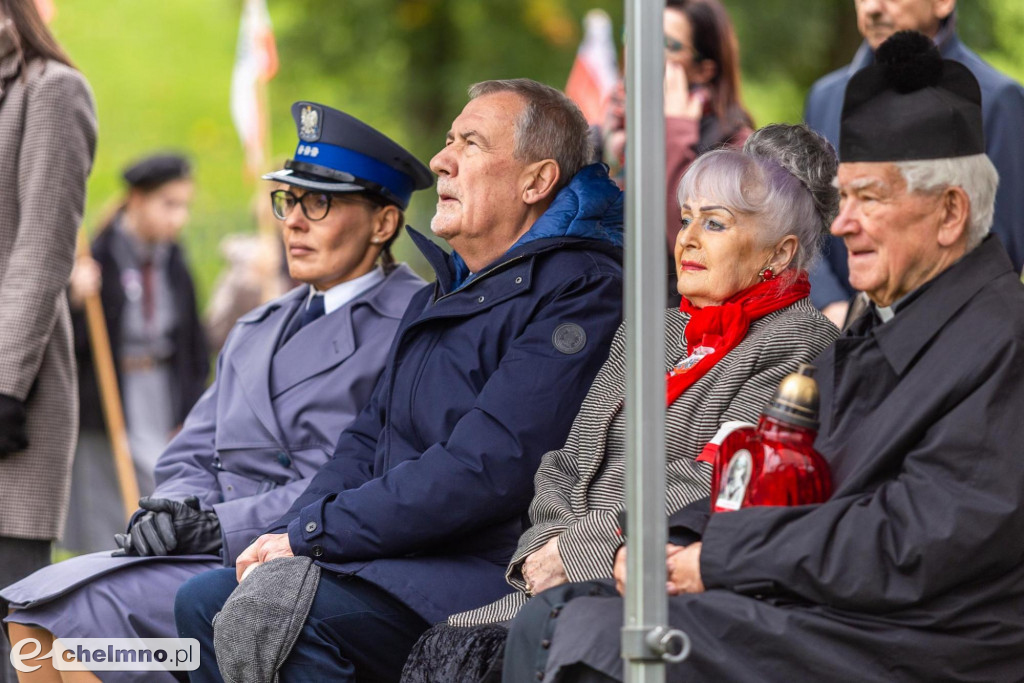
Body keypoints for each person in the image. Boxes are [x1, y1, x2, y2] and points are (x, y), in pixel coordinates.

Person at [505, 31, 1024, 683]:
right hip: (830, 600)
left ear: (950, 213)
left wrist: (718, 555)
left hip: (922, 640)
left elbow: (911, 542)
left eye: (872, 198)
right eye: (847, 196)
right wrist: (668, 536)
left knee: (596, 631)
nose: (841, 224)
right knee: (568, 608)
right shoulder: (884, 319)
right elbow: (757, 468)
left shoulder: (1001, 344)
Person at [175, 78, 626, 683]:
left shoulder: (581, 287)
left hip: (491, 563)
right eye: (448, 140)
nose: (442, 159)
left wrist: (314, 535)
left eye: (470, 143)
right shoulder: (451, 287)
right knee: (202, 600)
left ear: (536, 181)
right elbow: (365, 440)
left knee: (286, 618)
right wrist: (292, 531)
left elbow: (489, 467)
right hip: (404, 554)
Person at [2, 101, 431, 683]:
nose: (294, 222)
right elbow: (193, 450)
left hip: (301, 558)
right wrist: (176, 507)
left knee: (71, 627)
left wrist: (216, 526)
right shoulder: (261, 325)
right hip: (215, 547)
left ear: (383, 224)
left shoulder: (415, 327)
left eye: (320, 202)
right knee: (34, 618)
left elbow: (363, 477)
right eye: (290, 200)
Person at [401, 123, 841, 683]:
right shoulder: (655, 330)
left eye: (715, 223)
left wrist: (577, 551)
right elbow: (568, 459)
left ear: (779, 254)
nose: (686, 239)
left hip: (661, 583)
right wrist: (543, 548)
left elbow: (719, 479)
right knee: (442, 648)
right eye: (686, 219)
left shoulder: (802, 341)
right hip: (558, 573)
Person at [803, 0, 1024, 326]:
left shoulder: (995, 100)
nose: (873, 7)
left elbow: (1000, 250)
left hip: (947, 339)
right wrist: (832, 306)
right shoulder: (825, 96)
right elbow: (806, 217)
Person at [0, 0, 97, 680]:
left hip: (14, 407)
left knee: (14, 646)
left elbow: (40, 255)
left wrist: (2, 385)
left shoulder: (51, 90)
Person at [61, 153, 209, 554]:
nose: (180, 218)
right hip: (110, 399)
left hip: (160, 393)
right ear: (138, 200)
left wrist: (189, 411)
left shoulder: (174, 260)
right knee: (106, 512)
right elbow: (69, 350)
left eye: (185, 206)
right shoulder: (97, 257)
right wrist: (74, 301)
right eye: (170, 205)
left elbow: (192, 343)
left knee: (159, 494)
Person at [604, 0, 753, 305]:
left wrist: (674, 133)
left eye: (666, 44)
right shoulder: (611, 132)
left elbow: (691, 241)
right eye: (635, 33)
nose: (642, 48)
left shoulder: (734, 144)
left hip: (676, 324)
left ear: (702, 69)